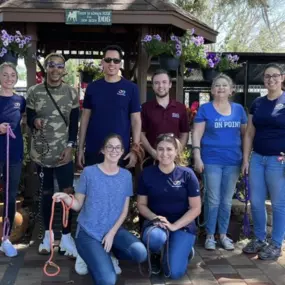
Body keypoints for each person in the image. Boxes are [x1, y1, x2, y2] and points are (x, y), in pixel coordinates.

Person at [53, 134, 147, 285]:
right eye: (110, 146)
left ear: (122, 151)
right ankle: (88, 257)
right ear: (103, 150)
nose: (113, 150)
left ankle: (108, 255)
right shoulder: (89, 172)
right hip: (88, 233)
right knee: (108, 280)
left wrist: (111, 233)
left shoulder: (126, 176)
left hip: (113, 231)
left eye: (118, 147)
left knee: (140, 253)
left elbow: (124, 212)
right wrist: (66, 197)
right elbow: (77, 204)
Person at [26, 53, 79, 257]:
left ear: (64, 70)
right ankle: (47, 237)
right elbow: (30, 115)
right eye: (51, 65)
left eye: (59, 66)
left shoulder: (71, 93)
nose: (55, 69)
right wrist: (34, 122)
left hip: (63, 153)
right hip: (42, 153)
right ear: (46, 68)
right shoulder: (34, 91)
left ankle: (66, 237)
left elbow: (74, 123)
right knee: (46, 195)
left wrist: (71, 146)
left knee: (67, 194)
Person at [192, 74, 247, 250]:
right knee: (213, 199)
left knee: (226, 201)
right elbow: (197, 134)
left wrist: (246, 159)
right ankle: (209, 235)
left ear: (231, 90)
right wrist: (197, 156)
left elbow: (246, 136)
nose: (221, 88)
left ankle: (222, 235)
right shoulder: (205, 109)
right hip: (211, 160)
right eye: (217, 85)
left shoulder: (238, 110)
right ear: (212, 89)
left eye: (225, 85)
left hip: (233, 161)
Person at [137, 133, 201, 279]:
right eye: (160, 149)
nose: (164, 153)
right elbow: (141, 204)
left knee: (174, 273)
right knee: (155, 239)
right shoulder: (147, 174)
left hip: (182, 225)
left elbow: (196, 208)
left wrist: (174, 226)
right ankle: (155, 253)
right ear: (155, 151)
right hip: (156, 225)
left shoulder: (187, 175)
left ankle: (184, 250)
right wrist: (155, 218)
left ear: (176, 151)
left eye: (169, 149)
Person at [242, 63, 285, 260]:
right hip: (257, 159)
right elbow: (250, 133)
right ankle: (260, 238)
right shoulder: (257, 103)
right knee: (256, 202)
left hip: (279, 160)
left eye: (275, 76)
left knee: (278, 204)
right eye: (267, 76)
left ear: (282, 77)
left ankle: (276, 243)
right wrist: (246, 159)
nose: (271, 79)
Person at [77, 44, 141, 168]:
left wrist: (135, 149)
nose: (112, 63)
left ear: (120, 64)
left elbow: (136, 120)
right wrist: (80, 148)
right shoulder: (92, 87)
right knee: (94, 187)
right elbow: (84, 118)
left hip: (120, 151)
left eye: (116, 60)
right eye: (108, 60)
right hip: (94, 149)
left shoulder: (131, 88)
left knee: (118, 187)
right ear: (102, 62)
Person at [0, 62, 26, 257]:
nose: (9, 79)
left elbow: (22, 122)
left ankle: (6, 238)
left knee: (10, 194)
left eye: (12, 75)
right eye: (5, 75)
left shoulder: (20, 100)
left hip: (14, 153)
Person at [141, 69, 189, 166]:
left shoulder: (180, 108)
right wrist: (152, 152)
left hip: (174, 160)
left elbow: (184, 133)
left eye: (164, 82)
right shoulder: (145, 108)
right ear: (153, 86)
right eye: (157, 83)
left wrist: (176, 153)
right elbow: (141, 134)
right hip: (152, 159)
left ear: (170, 84)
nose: (160, 86)